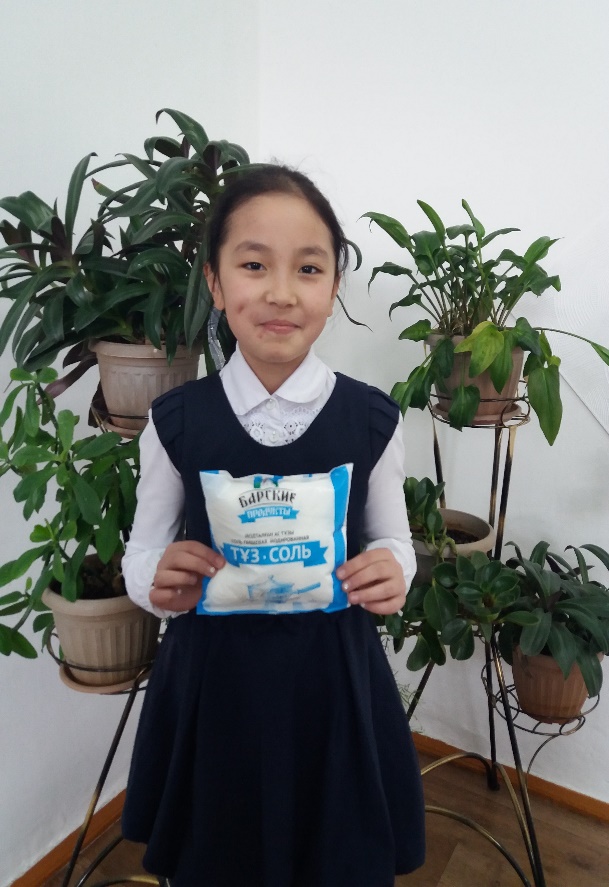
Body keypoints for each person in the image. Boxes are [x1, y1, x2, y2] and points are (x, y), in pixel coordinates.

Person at [121, 164, 426, 887]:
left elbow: (394, 539)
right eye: (254, 265)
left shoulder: (371, 419)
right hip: (213, 687)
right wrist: (154, 580)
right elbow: (143, 551)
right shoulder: (177, 421)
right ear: (215, 282)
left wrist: (395, 569)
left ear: (334, 285)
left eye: (308, 268)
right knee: (217, 855)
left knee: (335, 857)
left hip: (334, 686)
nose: (282, 292)